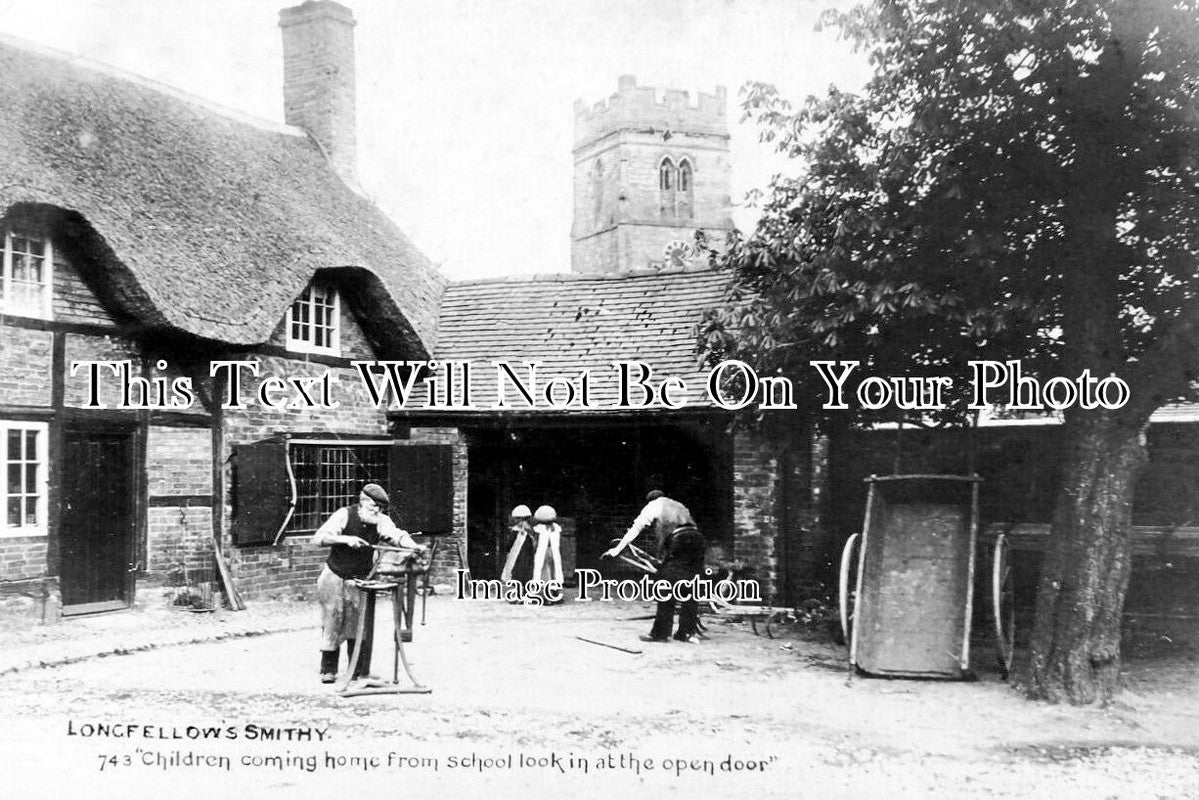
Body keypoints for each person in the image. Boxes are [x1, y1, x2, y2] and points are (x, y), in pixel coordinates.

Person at [312, 483, 423, 685]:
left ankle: (358, 671)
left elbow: (397, 535)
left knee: (358, 622)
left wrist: (412, 546)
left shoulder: (381, 521)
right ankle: (328, 670)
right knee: (333, 619)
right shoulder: (344, 515)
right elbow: (318, 539)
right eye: (373, 506)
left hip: (359, 579)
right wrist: (345, 539)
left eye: (380, 508)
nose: (376, 511)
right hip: (334, 576)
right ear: (363, 502)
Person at [605, 490, 705, 643]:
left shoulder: (653, 506)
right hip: (697, 540)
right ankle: (687, 632)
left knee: (665, 585)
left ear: (650, 500)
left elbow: (635, 529)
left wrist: (616, 550)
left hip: (679, 541)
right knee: (691, 585)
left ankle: (661, 633)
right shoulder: (679, 505)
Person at [531, 504, 564, 588]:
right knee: (554, 568)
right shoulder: (556, 528)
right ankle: (554, 589)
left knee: (542, 568)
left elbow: (535, 542)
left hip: (541, 551)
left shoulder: (538, 528)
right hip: (553, 552)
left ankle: (544, 589)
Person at [500, 504, 534, 583]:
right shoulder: (529, 530)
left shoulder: (516, 530)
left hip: (518, 553)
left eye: (517, 519)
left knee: (516, 568)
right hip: (524, 554)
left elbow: (509, 544)